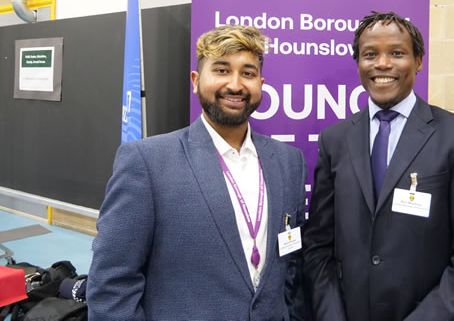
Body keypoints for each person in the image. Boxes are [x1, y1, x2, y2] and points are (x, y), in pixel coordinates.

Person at [88, 25, 307, 320]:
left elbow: (291, 263)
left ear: (261, 83)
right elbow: (111, 283)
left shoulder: (289, 161)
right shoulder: (147, 161)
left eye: (248, 73)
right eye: (221, 70)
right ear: (195, 80)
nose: (235, 84)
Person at [303, 11, 454, 321]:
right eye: (370, 55)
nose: (383, 64)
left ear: (418, 60)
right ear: (358, 63)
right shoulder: (335, 140)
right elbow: (318, 245)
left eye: (397, 53)